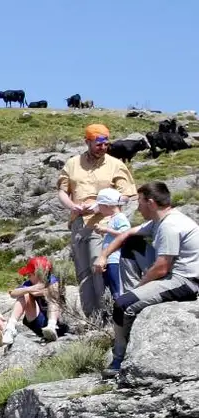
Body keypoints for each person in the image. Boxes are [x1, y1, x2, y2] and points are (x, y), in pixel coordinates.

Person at [93, 181, 199, 377]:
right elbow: (126, 234)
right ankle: (133, 296)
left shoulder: (170, 225)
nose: (138, 207)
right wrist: (103, 255)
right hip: (170, 274)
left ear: (150, 202)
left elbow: (162, 267)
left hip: (185, 282)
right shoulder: (159, 220)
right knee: (131, 242)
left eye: (140, 202)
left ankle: (119, 358)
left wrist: (142, 286)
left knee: (122, 305)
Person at [57, 124, 137, 318]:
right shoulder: (73, 163)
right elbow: (62, 191)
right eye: (98, 144)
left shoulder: (115, 164)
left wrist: (101, 205)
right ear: (87, 142)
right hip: (78, 222)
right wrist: (71, 206)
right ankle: (90, 316)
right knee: (82, 271)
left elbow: (127, 194)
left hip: (103, 224)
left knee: (98, 267)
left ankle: (107, 314)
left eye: (105, 144)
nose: (102, 147)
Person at [1, 256, 68, 344]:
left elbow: (55, 289)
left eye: (29, 275)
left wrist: (44, 292)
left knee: (53, 296)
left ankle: (52, 326)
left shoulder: (52, 280)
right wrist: (30, 289)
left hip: (58, 325)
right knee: (24, 295)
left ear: (38, 274)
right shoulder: (29, 284)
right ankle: (10, 328)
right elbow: (13, 293)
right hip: (39, 324)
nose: (28, 277)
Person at [92, 188, 132, 299]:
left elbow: (125, 234)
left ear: (107, 206)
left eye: (100, 206)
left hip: (116, 260)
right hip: (110, 261)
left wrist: (106, 230)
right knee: (111, 290)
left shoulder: (120, 218)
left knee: (117, 290)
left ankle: (122, 310)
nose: (99, 209)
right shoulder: (113, 218)